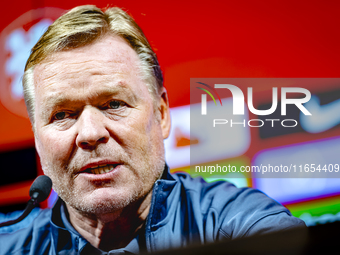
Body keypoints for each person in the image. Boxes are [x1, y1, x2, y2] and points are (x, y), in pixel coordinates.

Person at [0, 5, 305, 254]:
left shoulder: (239, 225)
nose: (91, 133)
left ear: (161, 114)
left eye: (114, 104)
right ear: (38, 140)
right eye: (62, 114)